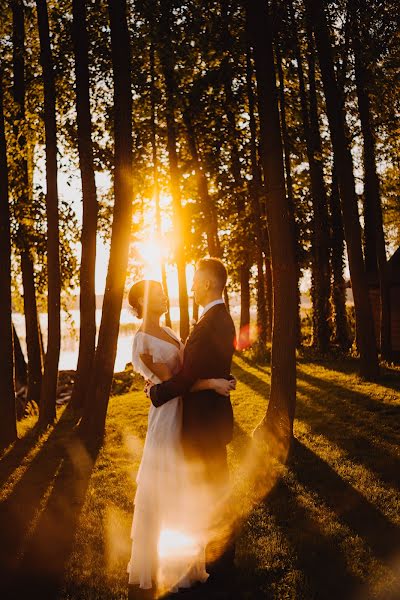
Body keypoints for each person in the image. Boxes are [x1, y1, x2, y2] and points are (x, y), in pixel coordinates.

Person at [126, 278, 235, 596]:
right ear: (143, 302)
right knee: (165, 491)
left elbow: (187, 373)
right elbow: (175, 383)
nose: (164, 295)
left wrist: (215, 375)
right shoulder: (142, 342)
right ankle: (164, 567)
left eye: (163, 290)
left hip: (184, 413)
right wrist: (213, 383)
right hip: (167, 419)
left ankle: (187, 564)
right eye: (158, 293)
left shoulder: (171, 332)